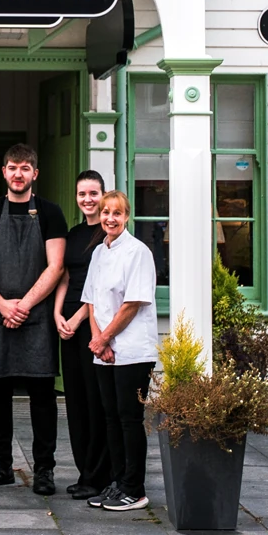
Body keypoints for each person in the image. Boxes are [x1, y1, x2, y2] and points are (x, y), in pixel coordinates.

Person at [0, 143, 67, 495]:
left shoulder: (50, 213)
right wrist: (2, 306)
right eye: (12, 167)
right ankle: (0, 466)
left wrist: (23, 305)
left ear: (35, 174)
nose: (18, 173)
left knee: (42, 398)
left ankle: (44, 470)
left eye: (25, 168)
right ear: (4, 172)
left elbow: (55, 266)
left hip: (37, 317)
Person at [84, 190, 158, 512]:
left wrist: (106, 340)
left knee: (130, 419)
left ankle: (135, 489)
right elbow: (91, 302)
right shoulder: (98, 253)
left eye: (117, 213)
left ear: (127, 216)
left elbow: (133, 303)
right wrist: (98, 341)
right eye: (105, 212)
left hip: (132, 351)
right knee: (110, 419)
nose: (110, 218)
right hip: (106, 350)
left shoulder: (138, 252)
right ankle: (116, 484)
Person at [54, 169, 113, 501]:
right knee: (74, 401)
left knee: (96, 401)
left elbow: (99, 287)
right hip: (68, 327)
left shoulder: (108, 235)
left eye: (94, 193)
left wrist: (76, 318)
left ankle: (100, 475)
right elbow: (64, 276)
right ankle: (84, 472)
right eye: (82, 194)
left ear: (103, 195)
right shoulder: (73, 233)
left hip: (95, 325)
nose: (88, 200)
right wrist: (57, 313)